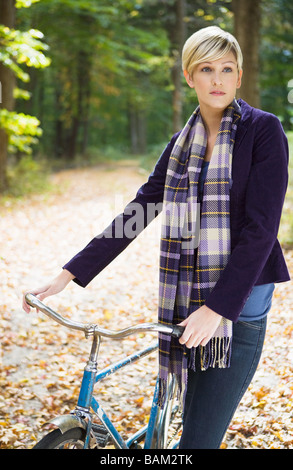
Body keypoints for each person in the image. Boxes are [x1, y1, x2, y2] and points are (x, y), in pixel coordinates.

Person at [23, 26, 290, 449]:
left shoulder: (263, 131)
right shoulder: (181, 145)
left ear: (239, 77)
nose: (217, 79)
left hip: (240, 301)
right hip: (188, 296)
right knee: (183, 418)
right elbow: (141, 209)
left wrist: (217, 308)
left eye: (227, 69)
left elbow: (261, 230)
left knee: (198, 439)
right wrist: (67, 273)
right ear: (190, 77)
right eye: (206, 69)